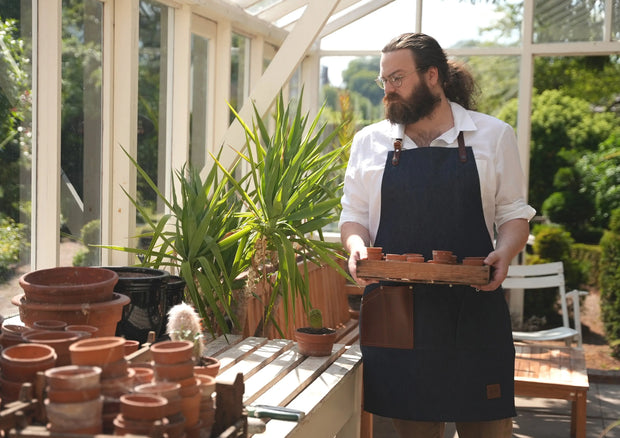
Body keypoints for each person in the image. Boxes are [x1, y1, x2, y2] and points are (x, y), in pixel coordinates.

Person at [339, 33, 536, 438]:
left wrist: (506, 251)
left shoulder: (493, 135)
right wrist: (357, 247)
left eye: (397, 78)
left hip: (474, 311)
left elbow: (515, 215)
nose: (388, 90)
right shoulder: (369, 142)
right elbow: (354, 215)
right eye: (384, 81)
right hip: (397, 315)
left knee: (487, 430)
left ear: (433, 77)